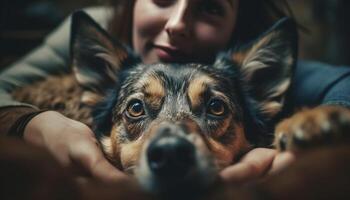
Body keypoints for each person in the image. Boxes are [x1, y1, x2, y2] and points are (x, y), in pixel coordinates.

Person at [0, 0, 349, 185]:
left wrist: (319, 130)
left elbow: (339, 83)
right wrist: (37, 124)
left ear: (235, 23)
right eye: (137, 108)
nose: (177, 24)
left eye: (214, 107)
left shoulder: (249, 73)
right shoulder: (99, 26)